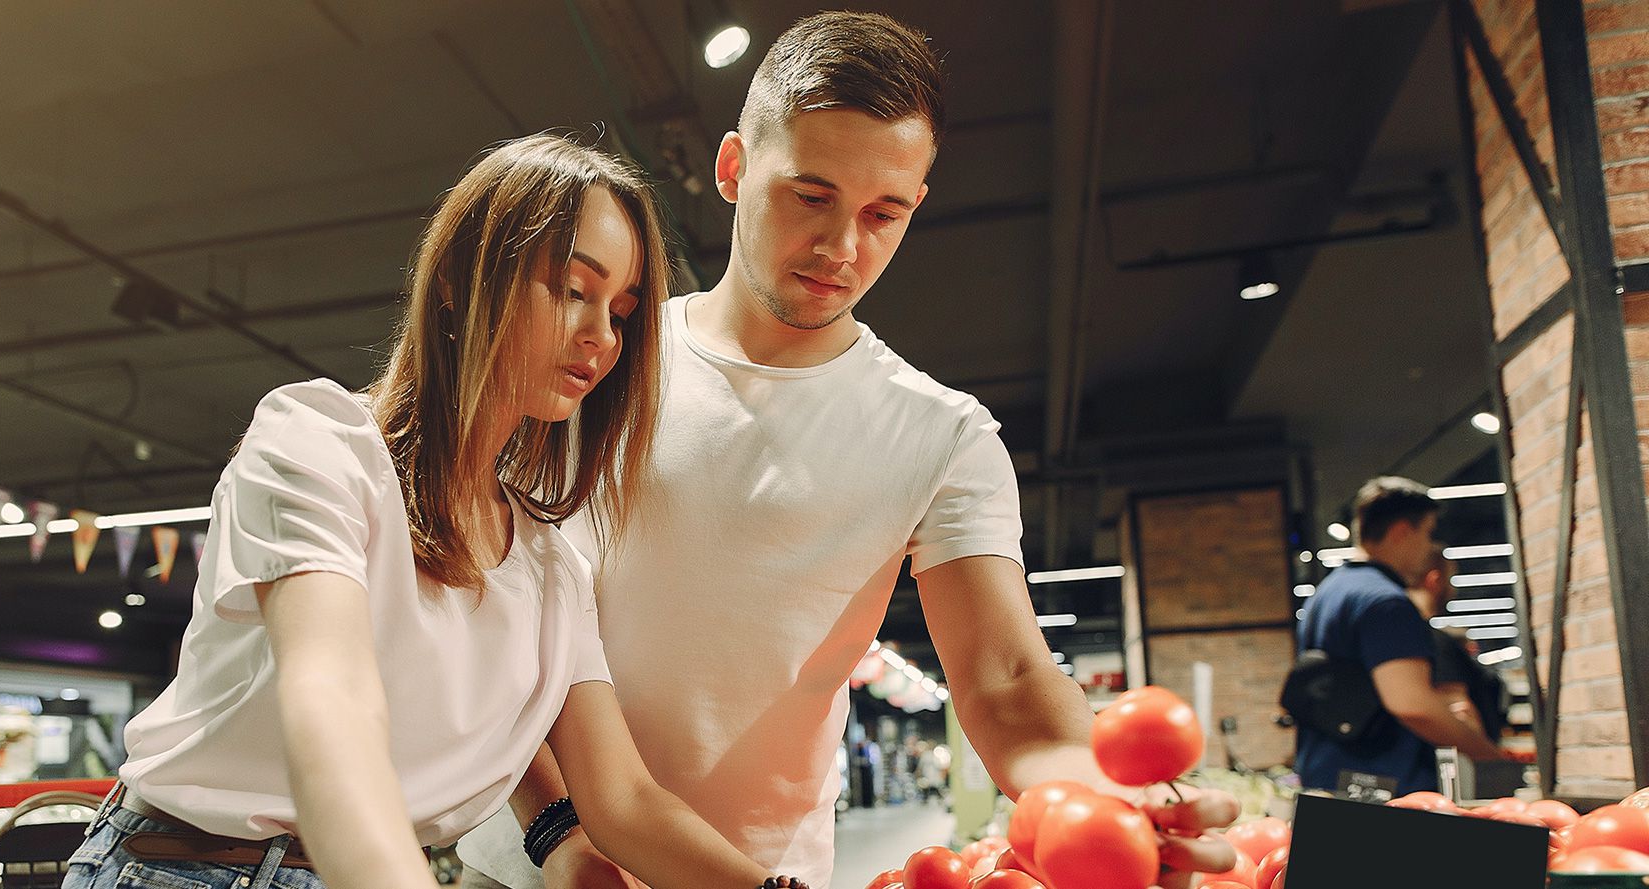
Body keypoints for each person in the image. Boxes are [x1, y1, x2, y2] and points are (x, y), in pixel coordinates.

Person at [456, 13, 1239, 889]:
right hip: (535, 867)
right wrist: (558, 835)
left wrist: (1110, 803)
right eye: (811, 195)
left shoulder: (943, 434)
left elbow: (1007, 677)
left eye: (884, 212)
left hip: (763, 878)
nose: (842, 248)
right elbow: (492, 616)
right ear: (732, 168)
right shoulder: (590, 362)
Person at [62, 134, 813, 889]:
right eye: (572, 289)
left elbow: (624, 800)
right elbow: (333, 705)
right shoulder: (319, 443)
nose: (601, 337)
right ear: (458, 279)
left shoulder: (551, 569)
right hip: (178, 867)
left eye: (620, 312)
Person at [1295, 477, 1504, 796]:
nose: (1428, 546)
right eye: (1427, 533)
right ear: (1401, 532)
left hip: (1333, 781)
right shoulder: (1385, 600)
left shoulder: (1327, 593)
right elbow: (1411, 704)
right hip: (1384, 791)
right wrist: (1487, 754)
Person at [1403, 548, 1509, 743]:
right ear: (1434, 579)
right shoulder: (1432, 641)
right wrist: (1489, 756)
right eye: (1450, 579)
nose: (1452, 590)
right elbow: (1459, 710)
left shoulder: (1408, 638)